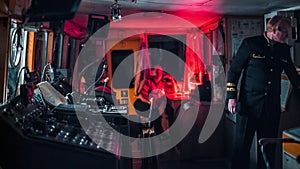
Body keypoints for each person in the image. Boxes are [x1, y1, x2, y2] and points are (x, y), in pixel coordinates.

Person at [226, 15, 300, 169]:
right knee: (241, 148)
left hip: (271, 108)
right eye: (285, 32)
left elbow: (294, 77)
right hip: (249, 106)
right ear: (275, 30)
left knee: (267, 149)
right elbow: (233, 71)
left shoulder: (284, 50)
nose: (287, 36)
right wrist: (231, 97)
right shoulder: (251, 44)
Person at [134, 65, 174, 135]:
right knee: (156, 115)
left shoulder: (163, 83)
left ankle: (170, 132)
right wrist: (149, 102)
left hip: (160, 104)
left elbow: (172, 91)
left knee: (170, 111)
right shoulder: (148, 82)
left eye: (160, 71)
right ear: (153, 72)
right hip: (148, 104)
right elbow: (141, 96)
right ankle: (158, 133)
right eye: (156, 71)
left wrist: (171, 79)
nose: (158, 73)